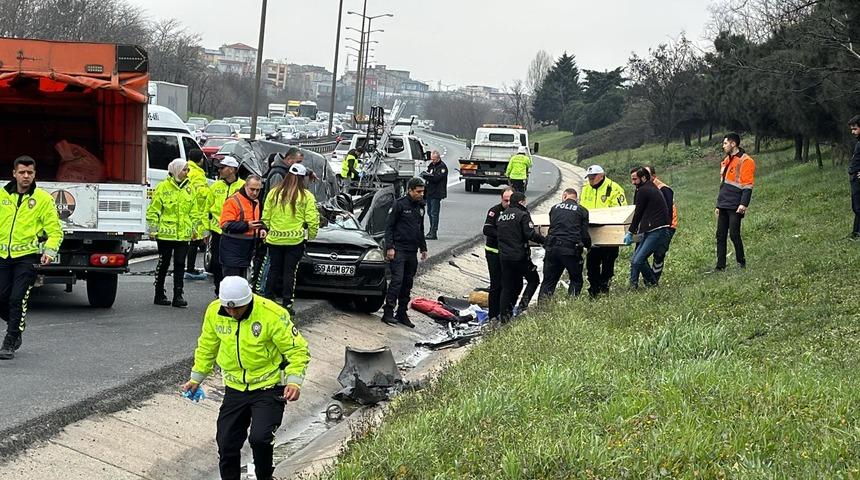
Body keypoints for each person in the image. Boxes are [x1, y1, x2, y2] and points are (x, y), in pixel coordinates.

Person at [182, 276, 310, 480]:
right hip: (235, 388)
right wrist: (196, 377)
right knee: (226, 443)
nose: (232, 313)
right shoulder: (214, 312)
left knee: (260, 439)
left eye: (238, 309)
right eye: (228, 309)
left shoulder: (271, 314)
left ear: (248, 301)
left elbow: (297, 350)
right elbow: (207, 346)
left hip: (268, 386)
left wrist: (294, 381)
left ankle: (265, 477)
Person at [0, 156, 63, 360]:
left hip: (27, 258)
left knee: (17, 299)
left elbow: (55, 231)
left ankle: (10, 341)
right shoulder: (2, 195)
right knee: (2, 298)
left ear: (35, 174)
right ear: (14, 174)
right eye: (22, 172)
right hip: (3, 256)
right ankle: (17, 323)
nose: (26, 176)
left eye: (30, 172)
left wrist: (50, 252)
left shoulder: (43, 199)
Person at [261, 163, 319, 314]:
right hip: (295, 241)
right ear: (302, 178)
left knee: (274, 269)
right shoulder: (306, 196)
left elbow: (266, 216)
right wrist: (311, 236)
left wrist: (267, 230)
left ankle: (268, 299)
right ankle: (287, 303)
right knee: (289, 272)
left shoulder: (274, 193)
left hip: (274, 239)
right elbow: (312, 219)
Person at [147, 158, 196, 308]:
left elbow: (194, 212)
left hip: (183, 235)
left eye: (188, 170)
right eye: (184, 169)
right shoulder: (162, 187)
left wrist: (196, 230)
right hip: (165, 235)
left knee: (180, 264)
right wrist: (152, 230)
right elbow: (153, 210)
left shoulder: (190, 189)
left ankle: (178, 296)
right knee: (164, 263)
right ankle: (159, 294)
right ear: (176, 170)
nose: (187, 172)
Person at [382, 177, 429, 327]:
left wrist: (423, 248)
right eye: (418, 191)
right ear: (410, 190)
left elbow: (420, 228)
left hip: (412, 250)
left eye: (422, 191)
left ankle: (402, 313)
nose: (421, 194)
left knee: (408, 283)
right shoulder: (400, 204)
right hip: (399, 249)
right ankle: (388, 312)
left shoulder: (421, 206)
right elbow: (389, 227)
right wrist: (390, 247)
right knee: (397, 281)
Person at [580, 165, 627, 296]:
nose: (591, 179)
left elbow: (621, 211)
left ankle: (604, 287)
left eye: (593, 177)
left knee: (608, 263)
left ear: (601, 175)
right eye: (589, 177)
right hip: (592, 234)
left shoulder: (614, 188)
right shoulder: (586, 189)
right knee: (591, 265)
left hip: (609, 233)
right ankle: (594, 290)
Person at [497, 192, 544, 321]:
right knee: (534, 280)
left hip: (504, 257)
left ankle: (505, 317)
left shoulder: (502, 216)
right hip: (519, 256)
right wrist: (545, 240)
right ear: (521, 202)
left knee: (508, 287)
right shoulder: (522, 214)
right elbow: (530, 234)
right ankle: (522, 308)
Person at [538, 188, 590, 299]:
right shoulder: (582, 210)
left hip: (552, 248)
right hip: (570, 250)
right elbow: (584, 234)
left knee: (548, 281)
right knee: (576, 280)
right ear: (576, 199)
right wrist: (588, 245)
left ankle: (542, 306)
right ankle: (571, 304)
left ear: (564, 196)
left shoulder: (554, 208)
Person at [715, 132, 755, 270]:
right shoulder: (725, 161)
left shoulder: (746, 160)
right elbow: (723, 185)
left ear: (733, 144)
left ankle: (741, 262)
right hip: (723, 203)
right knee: (720, 236)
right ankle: (720, 266)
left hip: (735, 204)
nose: (723, 146)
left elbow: (748, 185)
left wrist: (743, 204)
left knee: (734, 234)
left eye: (725, 143)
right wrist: (718, 205)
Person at [625, 167, 671, 288]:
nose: (633, 182)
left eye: (635, 179)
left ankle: (637, 286)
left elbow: (638, 213)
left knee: (637, 260)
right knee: (636, 260)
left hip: (656, 230)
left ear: (644, 178)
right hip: (652, 229)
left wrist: (630, 232)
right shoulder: (649, 187)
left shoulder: (643, 190)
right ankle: (649, 284)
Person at [209, 155, 245, 295]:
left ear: (232, 169)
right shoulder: (215, 186)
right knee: (216, 263)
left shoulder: (243, 186)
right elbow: (206, 208)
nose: (219, 171)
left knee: (234, 264)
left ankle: (234, 292)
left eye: (222, 168)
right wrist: (205, 229)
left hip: (236, 232)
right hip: (218, 230)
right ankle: (219, 291)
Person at [219, 175, 266, 279]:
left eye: (258, 190)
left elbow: (258, 220)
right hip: (232, 248)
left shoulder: (256, 202)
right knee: (232, 282)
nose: (255, 193)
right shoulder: (233, 201)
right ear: (245, 186)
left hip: (246, 249)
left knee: (241, 282)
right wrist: (247, 226)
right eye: (252, 189)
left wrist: (262, 229)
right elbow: (225, 224)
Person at [482, 188, 513, 321]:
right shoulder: (495, 211)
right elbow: (487, 229)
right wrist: (503, 235)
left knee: (509, 284)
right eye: (505, 200)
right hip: (494, 252)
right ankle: (493, 315)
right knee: (496, 284)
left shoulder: (517, 212)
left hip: (509, 254)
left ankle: (505, 313)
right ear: (501, 199)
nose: (508, 203)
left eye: (510, 200)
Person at [644, 165, 677, 282]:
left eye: (647, 175)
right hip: (648, 226)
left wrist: (665, 229)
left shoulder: (663, 189)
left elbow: (668, 212)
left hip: (667, 226)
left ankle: (654, 280)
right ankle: (650, 279)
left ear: (654, 176)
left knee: (659, 253)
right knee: (640, 255)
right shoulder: (642, 188)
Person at [185, 148, 210, 280]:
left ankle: (187, 268)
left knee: (189, 242)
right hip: (197, 210)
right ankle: (190, 269)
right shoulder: (198, 173)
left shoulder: (186, 169)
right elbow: (200, 192)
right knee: (195, 242)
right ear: (200, 160)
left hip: (187, 209)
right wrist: (210, 193)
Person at [421, 150, 448, 240]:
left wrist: (428, 176)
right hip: (429, 192)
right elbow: (429, 174)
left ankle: (433, 232)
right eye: (432, 159)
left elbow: (436, 178)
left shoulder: (442, 167)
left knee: (434, 213)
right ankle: (430, 230)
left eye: (434, 159)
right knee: (429, 212)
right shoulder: (431, 165)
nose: (433, 161)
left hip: (437, 193)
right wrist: (425, 175)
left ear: (438, 158)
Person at [848, 116, 860, 239]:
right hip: (855, 178)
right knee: (857, 207)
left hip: (858, 178)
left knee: (858, 208)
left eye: (855, 129)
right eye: (852, 129)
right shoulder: (858, 143)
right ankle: (856, 233)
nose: (853, 132)